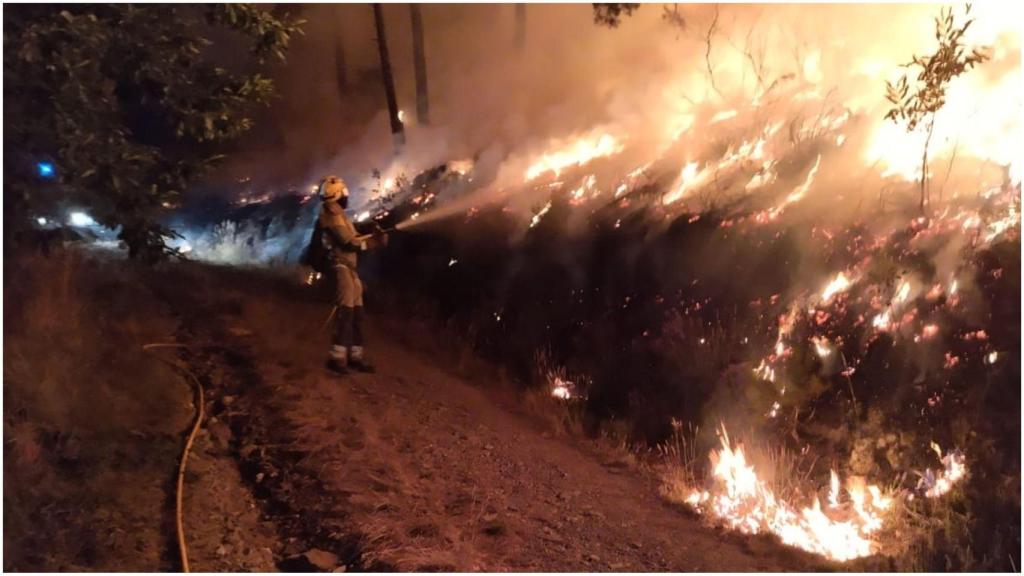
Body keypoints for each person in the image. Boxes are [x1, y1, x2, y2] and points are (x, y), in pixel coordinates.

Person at [316, 175, 387, 374]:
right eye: (344, 193)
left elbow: (353, 235)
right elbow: (349, 242)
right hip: (340, 266)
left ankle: (355, 356)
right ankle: (337, 358)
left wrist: (371, 232)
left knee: (357, 314)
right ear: (337, 195)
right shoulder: (331, 214)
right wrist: (373, 242)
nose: (347, 197)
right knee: (346, 312)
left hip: (350, 268)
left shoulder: (337, 213)